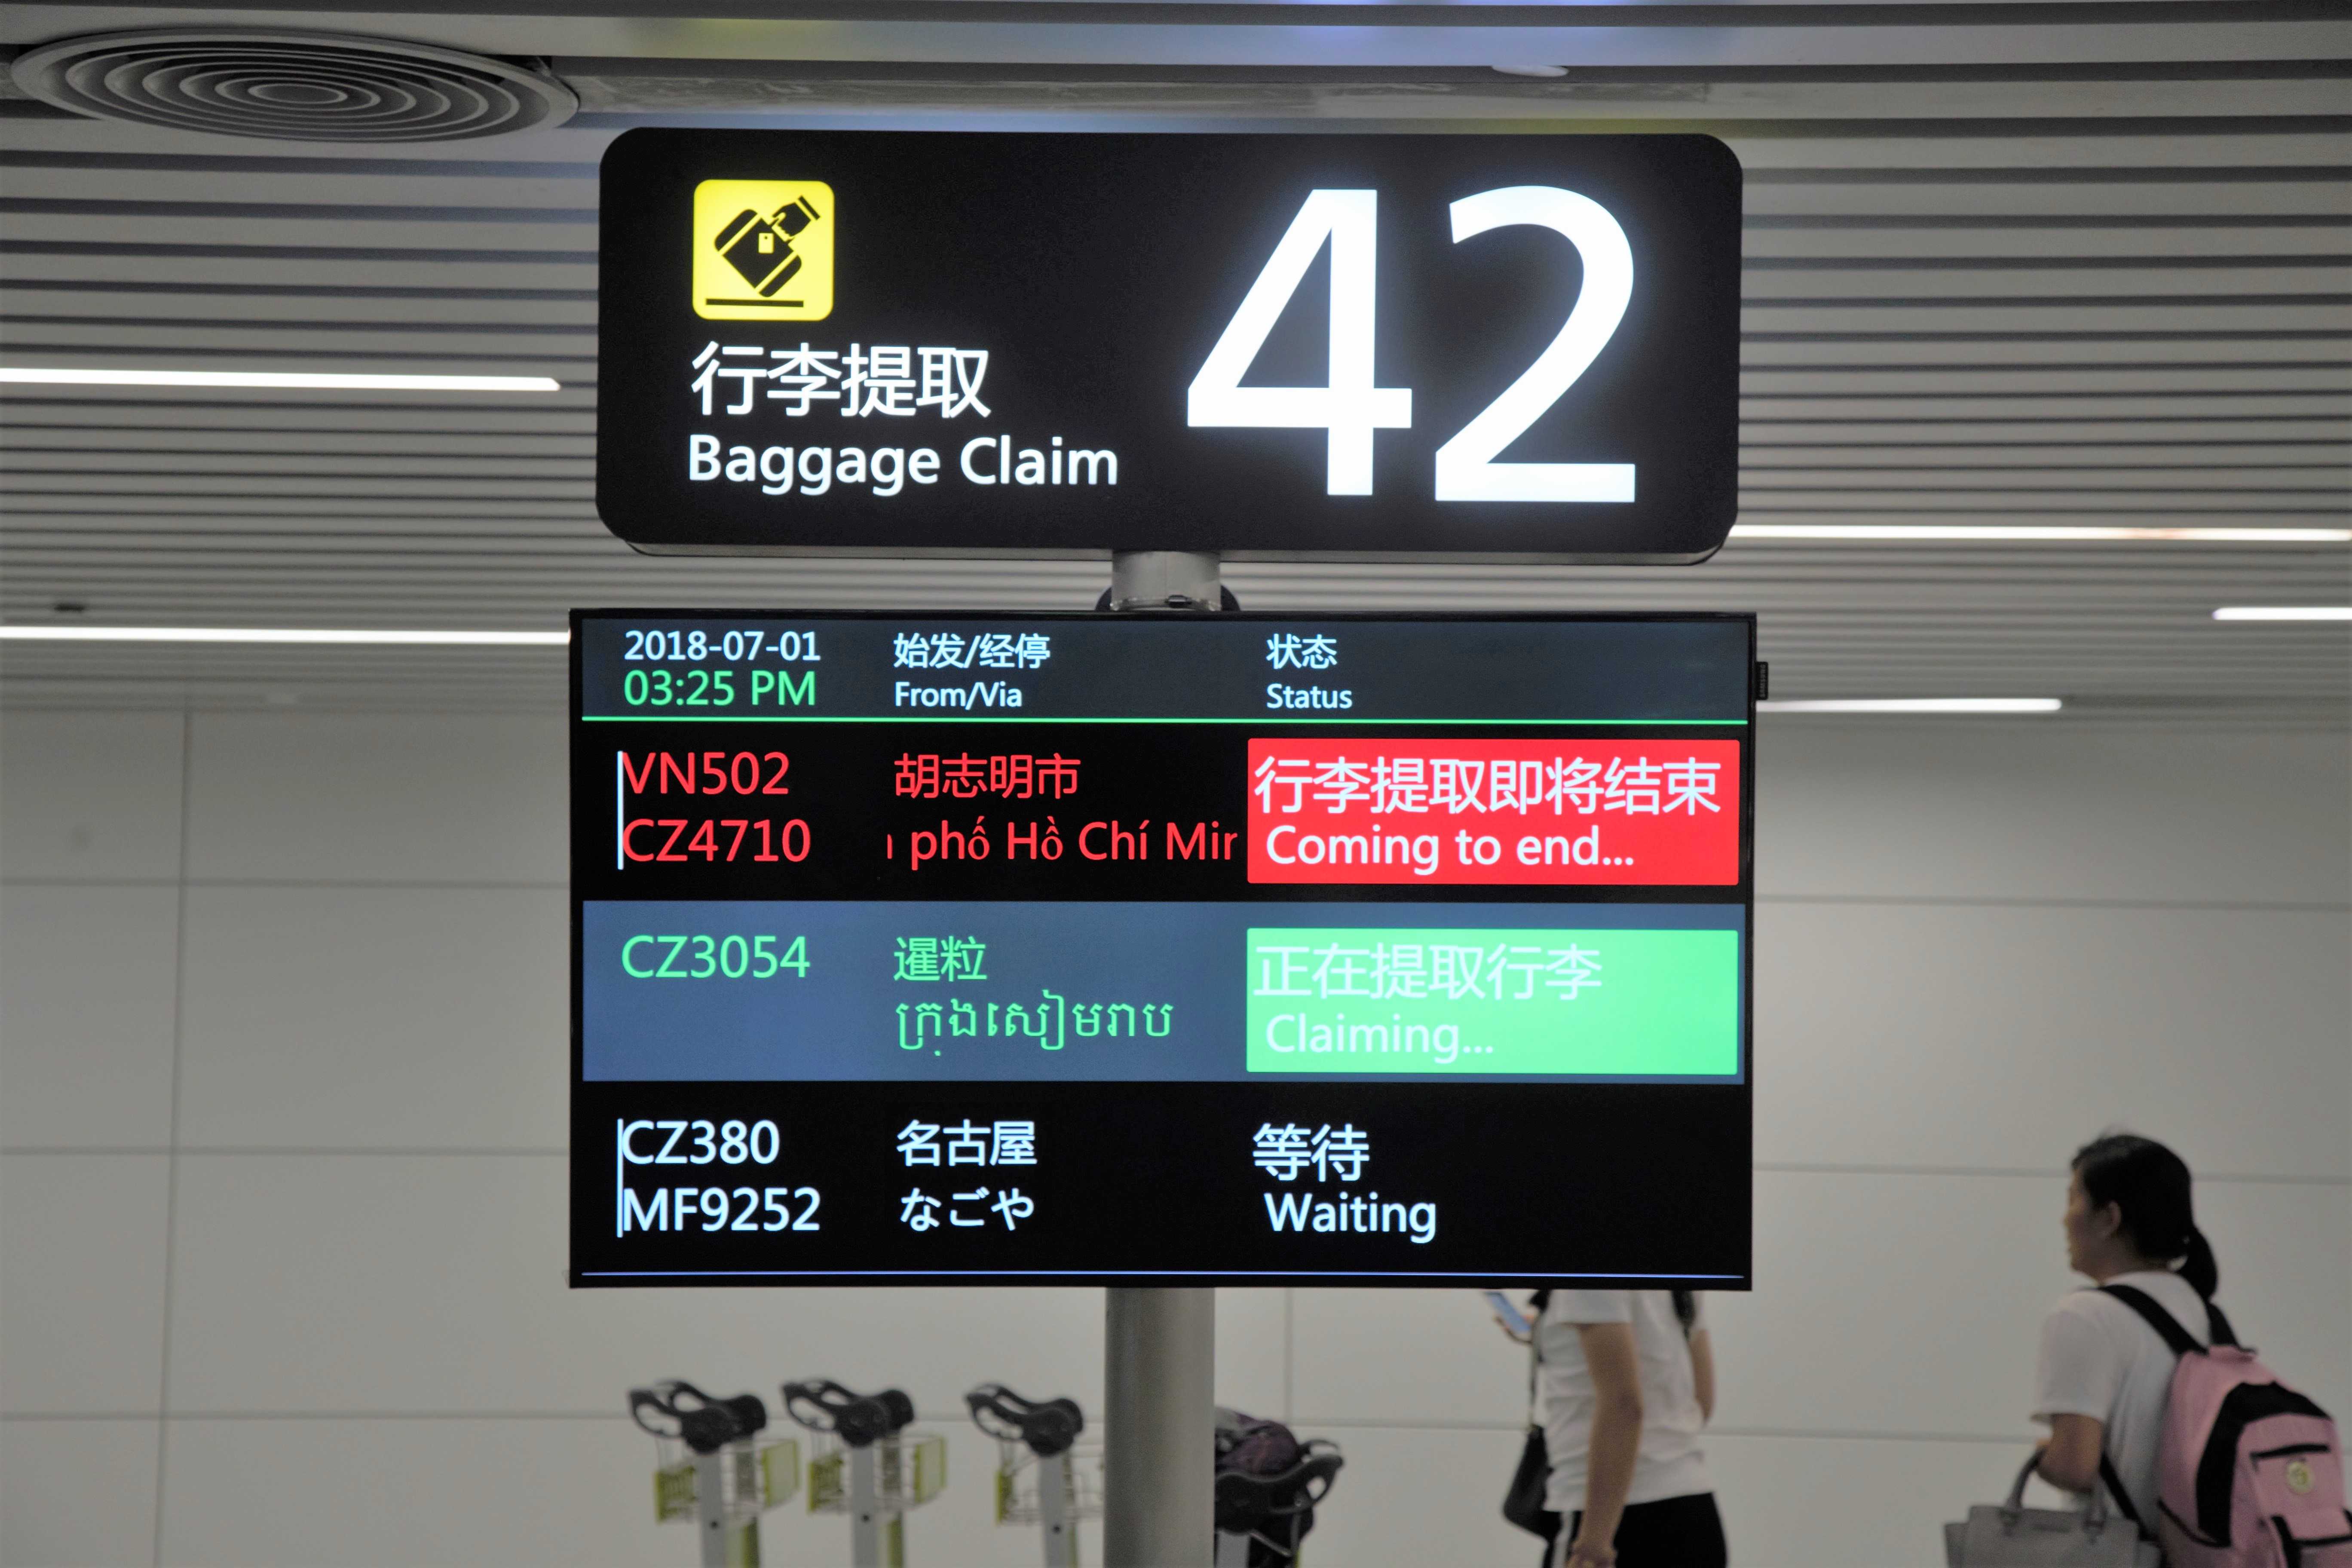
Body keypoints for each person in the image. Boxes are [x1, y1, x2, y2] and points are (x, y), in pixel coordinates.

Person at [2033, 1130, 2230, 1534]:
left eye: (2072, 1199)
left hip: (2122, 1551)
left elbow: (2075, 1467)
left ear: (2110, 1219)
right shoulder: (2204, 1314)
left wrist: (2043, 1457)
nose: (2063, 1218)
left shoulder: (2086, 1315)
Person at [1525, 1289, 1726, 1568]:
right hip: (1692, 1511)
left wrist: (1594, 1541)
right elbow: (1701, 1402)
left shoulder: (1587, 1271)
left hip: (1612, 1516)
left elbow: (1624, 1406)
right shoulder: (1683, 1265)